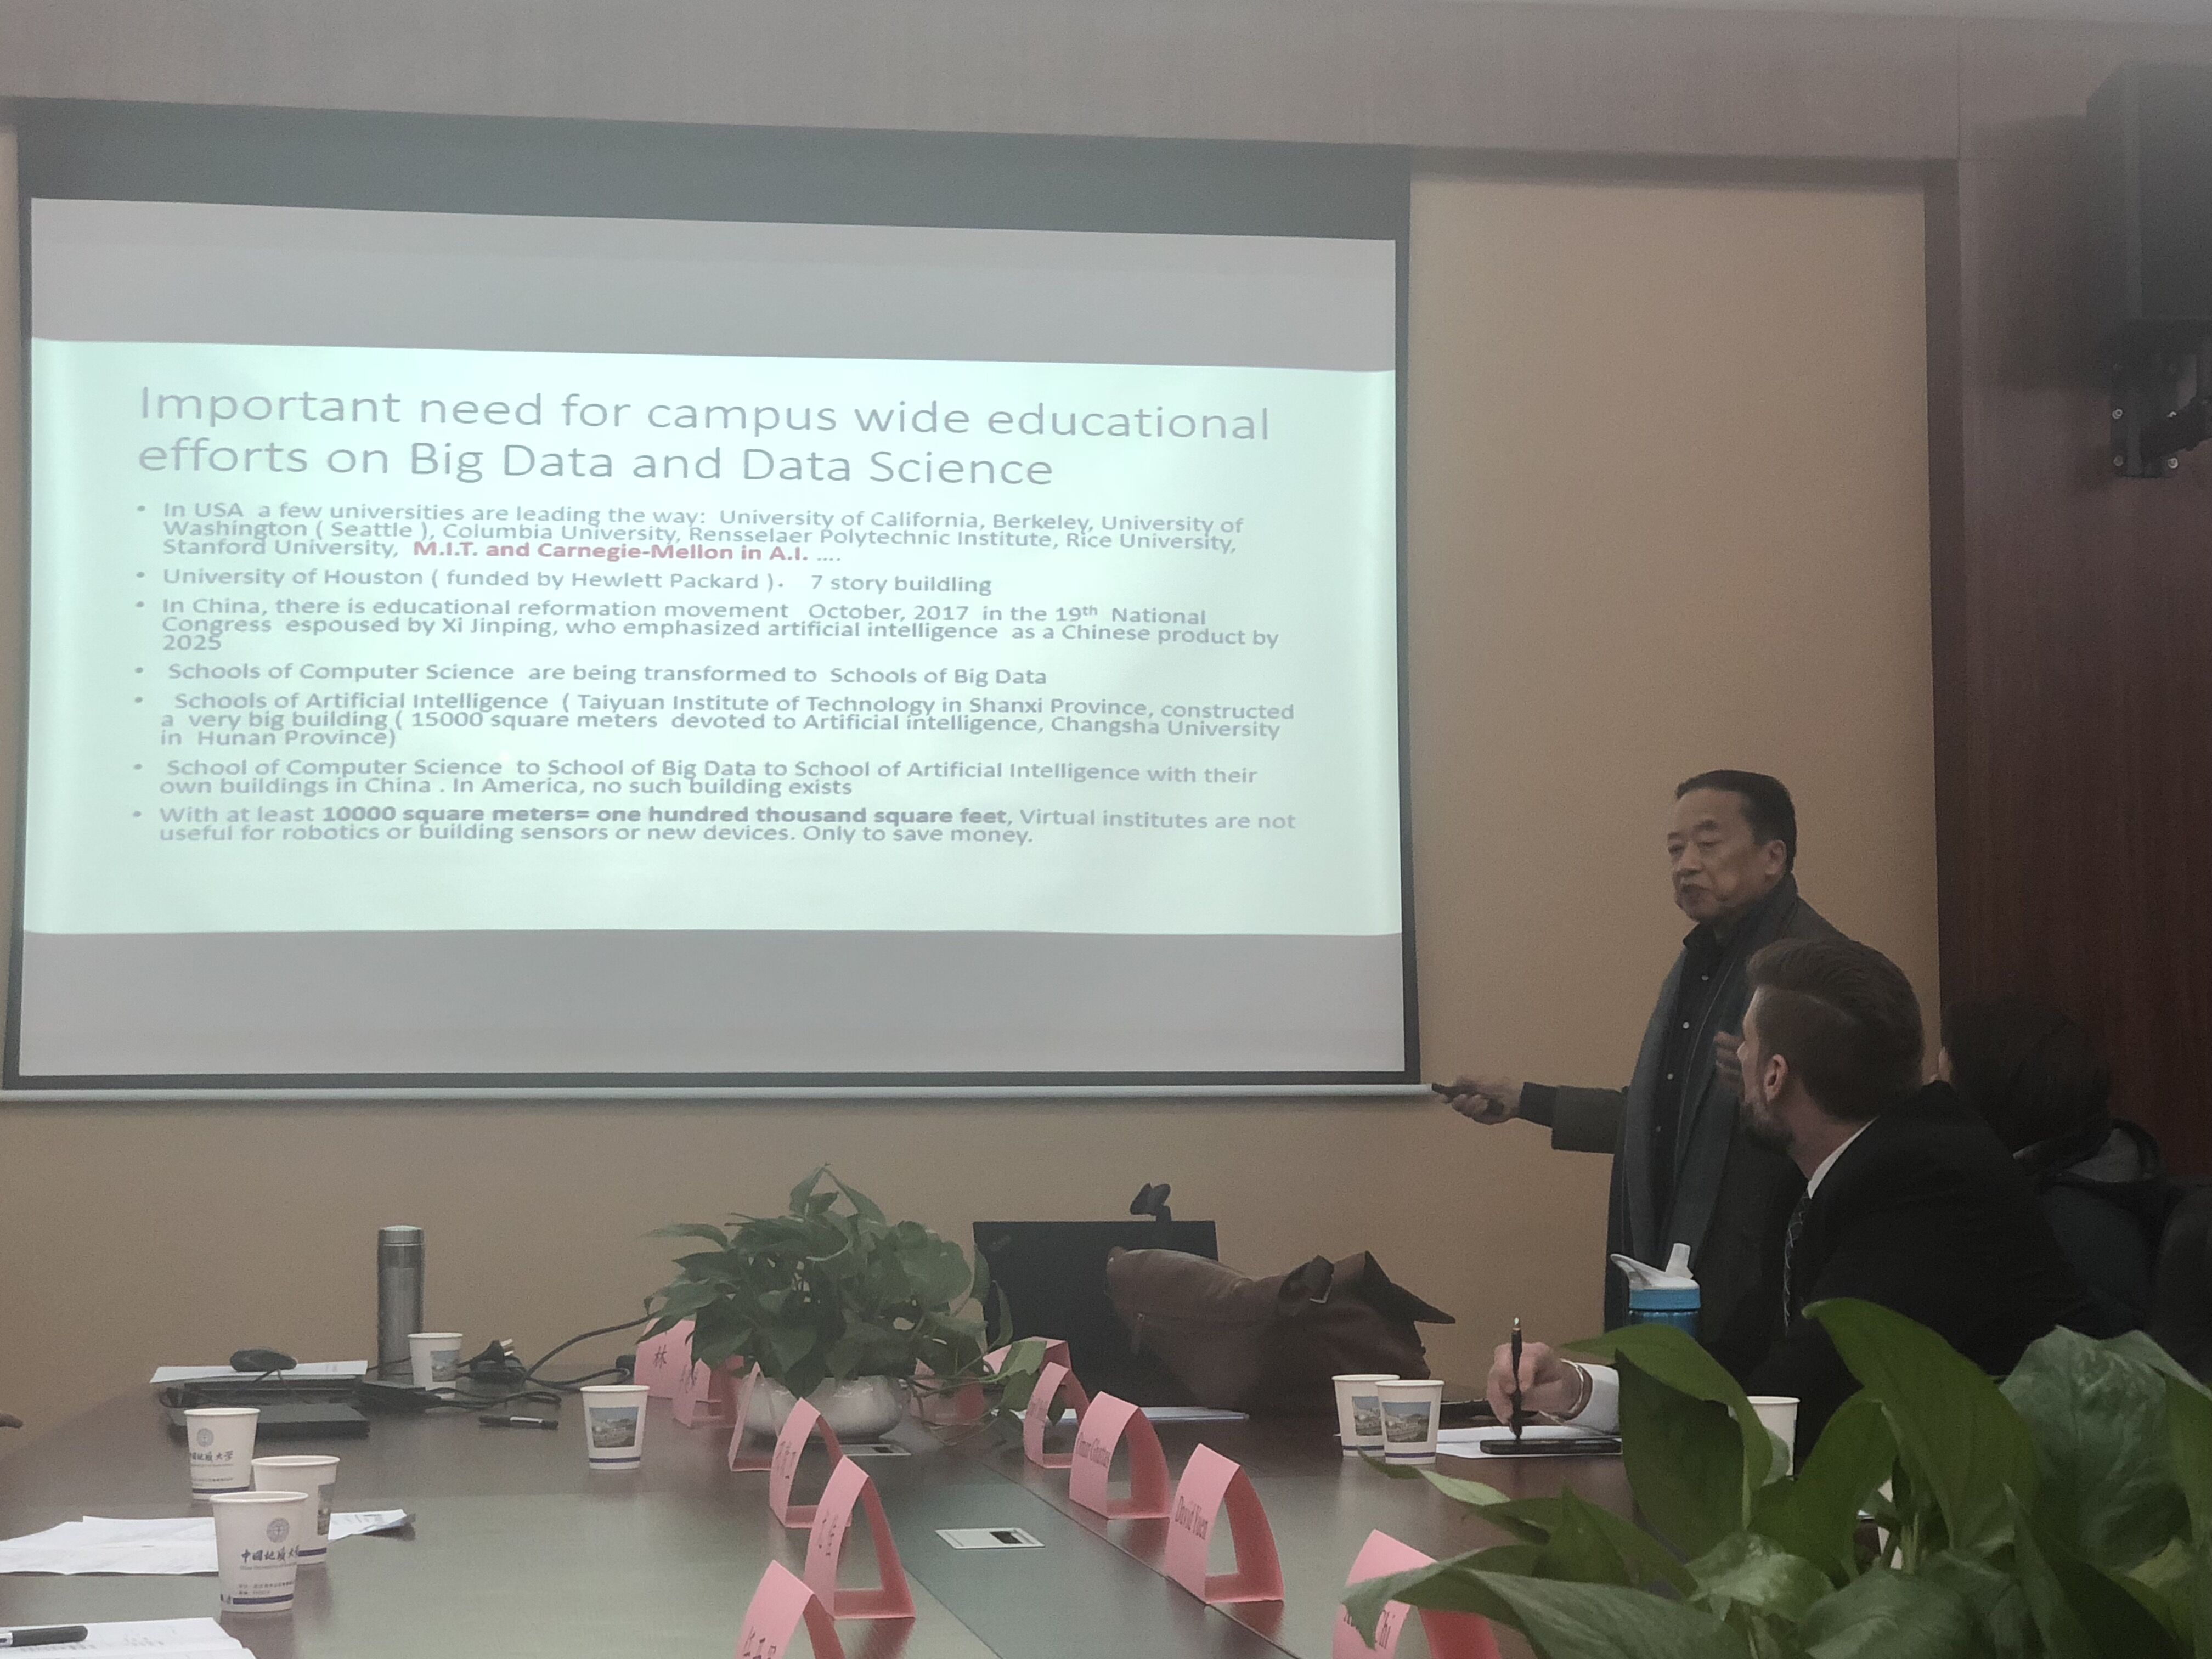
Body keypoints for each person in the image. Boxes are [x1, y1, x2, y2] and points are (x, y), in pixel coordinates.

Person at [1486, 938, 2087, 1459]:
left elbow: (1798, 1400)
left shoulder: (1929, 1183)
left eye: (1746, 1045)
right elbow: (1740, 1364)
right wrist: (1578, 1390)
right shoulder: (1818, 1175)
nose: (1739, 1060)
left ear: (1774, 1076)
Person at [1438, 771, 1838, 1362]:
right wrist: (1525, 1099)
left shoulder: (1815, 969)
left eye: (1708, 843)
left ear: (1773, 857)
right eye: (1675, 850)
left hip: (1766, 1297)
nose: (1687, 865)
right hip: (1682, 1284)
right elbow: (1662, 1122)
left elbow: (1852, 1124)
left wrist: (1774, 1097)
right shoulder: (1699, 964)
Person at [1940, 997, 2169, 1336]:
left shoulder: (2058, 1234)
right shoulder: (2107, 1171)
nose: (1930, 1096)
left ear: (1990, 1104)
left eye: (1944, 1084)